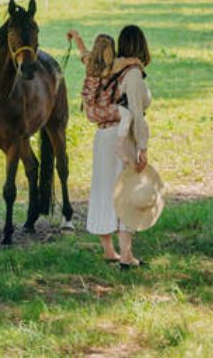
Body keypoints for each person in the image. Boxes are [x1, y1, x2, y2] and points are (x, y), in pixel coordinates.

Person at [66, 28, 140, 262]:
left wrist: (77, 38)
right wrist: (134, 60)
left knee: (102, 187)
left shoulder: (92, 64)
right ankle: (121, 250)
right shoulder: (111, 68)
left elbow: (83, 53)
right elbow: (123, 62)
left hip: (99, 128)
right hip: (109, 122)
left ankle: (111, 251)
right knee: (127, 114)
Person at [113, 24, 152, 269]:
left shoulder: (117, 71)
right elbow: (137, 112)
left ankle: (123, 252)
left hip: (115, 134)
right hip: (127, 138)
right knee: (129, 195)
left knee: (122, 192)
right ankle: (126, 256)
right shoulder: (134, 74)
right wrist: (142, 146)